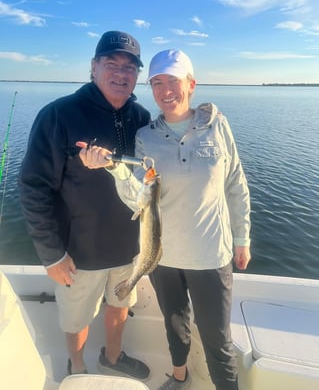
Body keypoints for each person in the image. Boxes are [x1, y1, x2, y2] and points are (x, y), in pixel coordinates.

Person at [76, 49, 251, 390]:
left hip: (211, 255)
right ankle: (179, 377)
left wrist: (242, 237)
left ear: (191, 84)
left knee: (217, 339)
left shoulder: (219, 126)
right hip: (162, 255)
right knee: (174, 324)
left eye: (173, 80)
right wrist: (113, 169)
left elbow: (235, 183)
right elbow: (137, 197)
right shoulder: (146, 137)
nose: (165, 89)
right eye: (157, 82)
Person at [19, 31, 151, 379]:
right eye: (112, 64)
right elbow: (33, 188)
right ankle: (77, 368)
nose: (121, 73)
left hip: (129, 248)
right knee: (77, 318)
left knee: (121, 305)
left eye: (130, 67)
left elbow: (151, 180)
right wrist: (52, 254)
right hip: (78, 254)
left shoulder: (142, 117)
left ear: (137, 74)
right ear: (94, 67)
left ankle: (112, 355)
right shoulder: (58, 115)